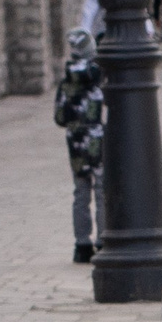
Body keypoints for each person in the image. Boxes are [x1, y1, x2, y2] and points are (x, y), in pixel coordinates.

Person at [54, 28, 105, 265]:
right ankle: (104, 239)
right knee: (102, 191)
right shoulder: (100, 75)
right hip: (98, 137)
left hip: (75, 140)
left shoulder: (67, 80)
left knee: (80, 192)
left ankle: (82, 244)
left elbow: (59, 117)